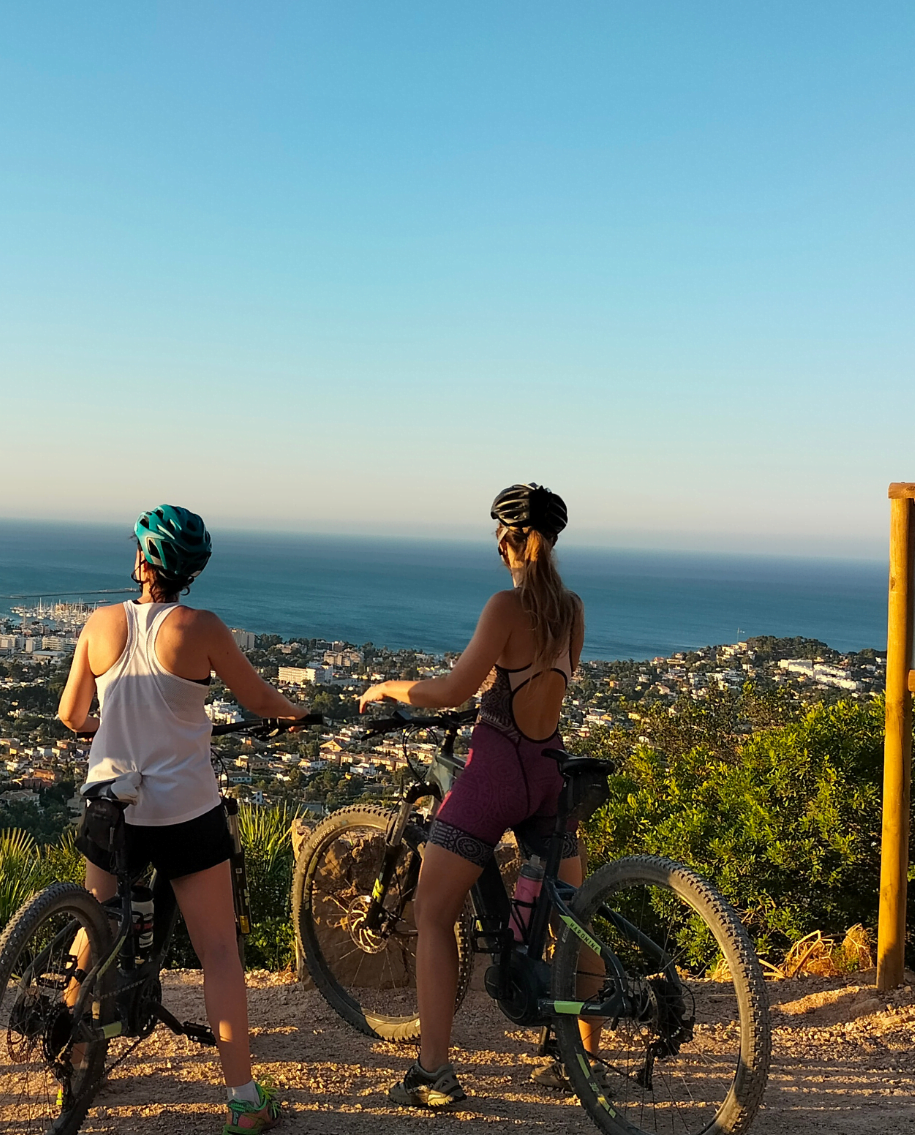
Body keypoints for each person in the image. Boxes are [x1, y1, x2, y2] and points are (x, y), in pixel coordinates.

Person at [57, 505, 307, 1134]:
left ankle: (78, 1058)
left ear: (142, 561)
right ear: (190, 571)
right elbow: (258, 700)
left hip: (111, 805)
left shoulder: (101, 622)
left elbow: (70, 715)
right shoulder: (202, 628)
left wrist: (107, 727)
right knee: (218, 953)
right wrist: (296, 713)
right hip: (186, 812)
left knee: (95, 927)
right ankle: (245, 1102)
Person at [358, 483, 592, 1109]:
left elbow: (450, 692)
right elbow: (544, 683)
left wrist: (390, 687)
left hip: (495, 773)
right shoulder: (572, 609)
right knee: (577, 915)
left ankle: (433, 1070)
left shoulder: (504, 607)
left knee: (432, 915)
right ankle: (581, 1060)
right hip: (550, 773)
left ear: (509, 541)